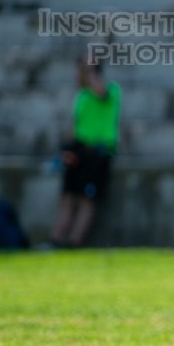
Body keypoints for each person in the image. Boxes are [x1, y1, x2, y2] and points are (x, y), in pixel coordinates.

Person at [48, 57, 122, 248]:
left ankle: (74, 242)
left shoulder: (111, 90)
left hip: (98, 151)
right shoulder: (81, 96)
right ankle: (56, 240)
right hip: (78, 149)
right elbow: (76, 125)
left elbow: (101, 92)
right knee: (67, 196)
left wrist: (90, 70)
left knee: (87, 199)